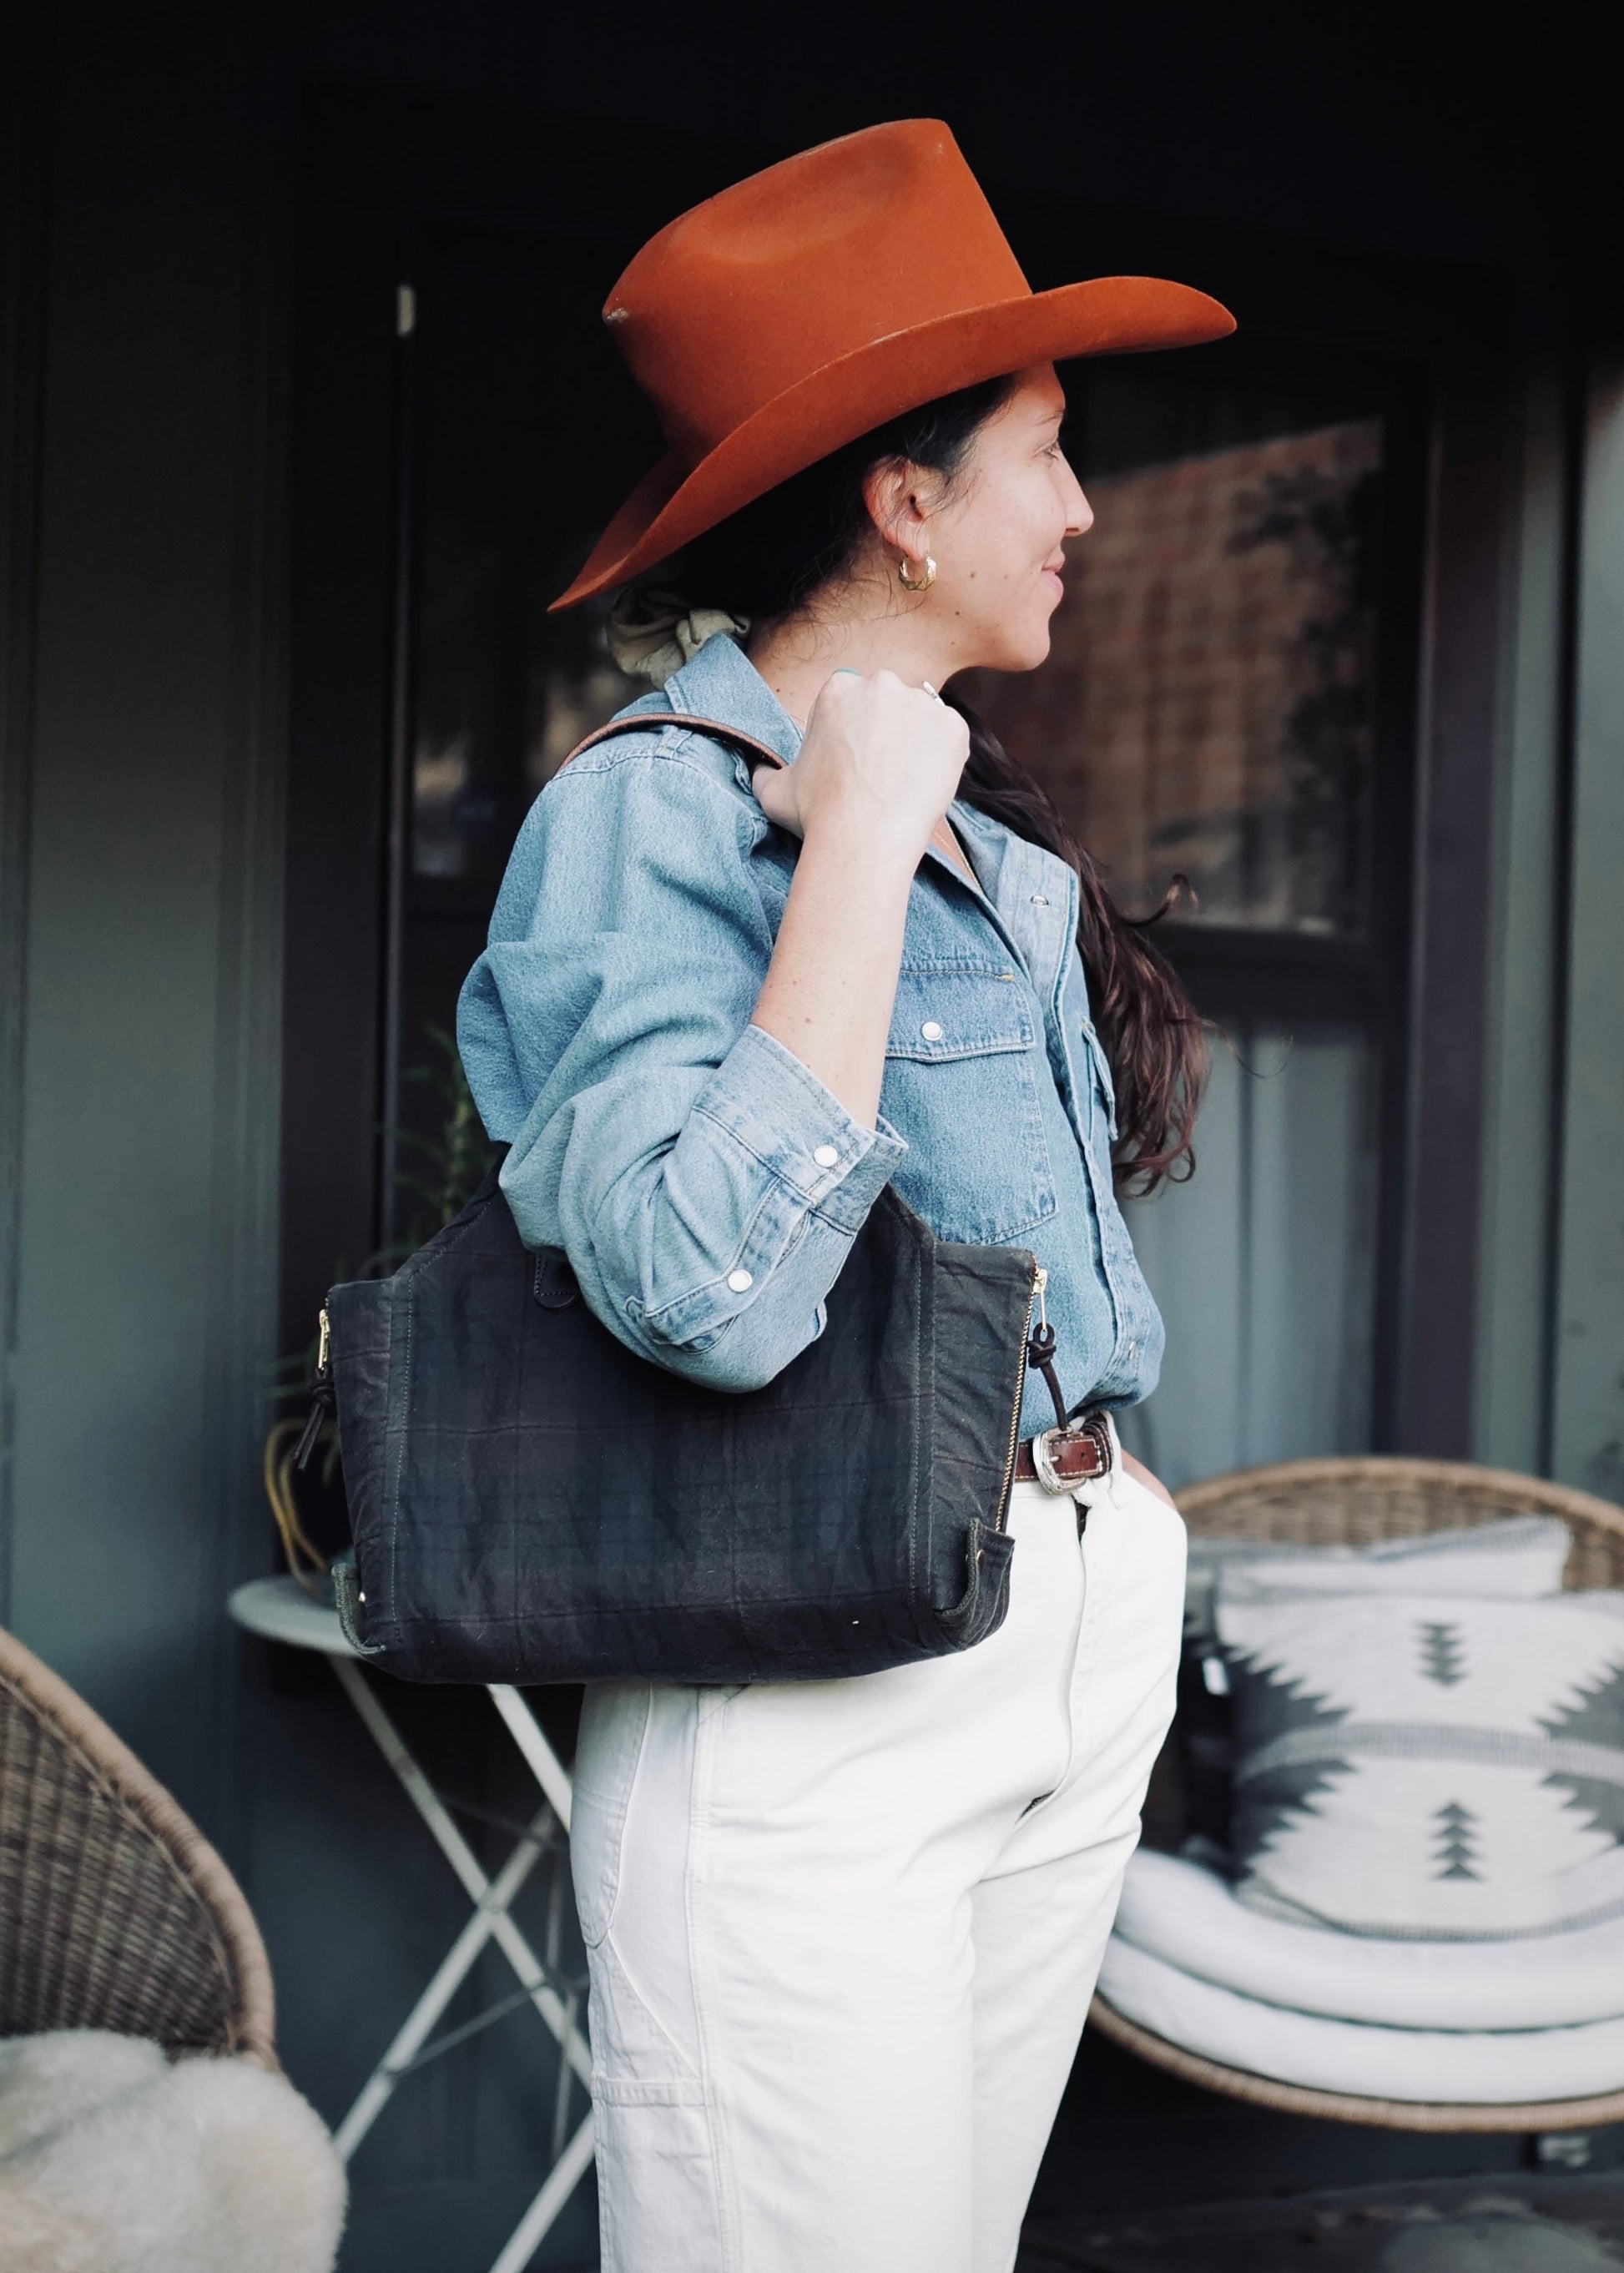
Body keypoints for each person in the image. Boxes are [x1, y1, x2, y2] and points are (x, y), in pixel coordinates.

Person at [457, 118, 1233, 2273]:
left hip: (1062, 1609)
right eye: (1042, 452)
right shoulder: (645, 828)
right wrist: (861, 846)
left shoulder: (1014, 854)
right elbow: (702, 1289)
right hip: (814, 1673)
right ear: (905, 502)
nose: (1078, 509)